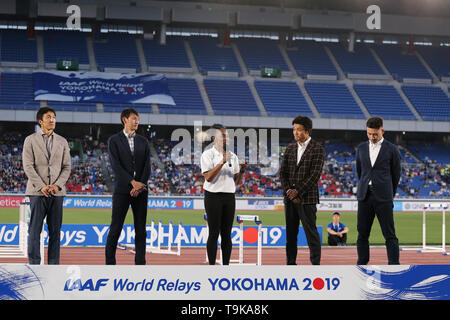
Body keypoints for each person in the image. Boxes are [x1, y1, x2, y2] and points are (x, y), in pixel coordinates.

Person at [22, 107, 71, 264]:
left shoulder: (62, 141)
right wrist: (42, 186)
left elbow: (67, 167)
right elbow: (28, 166)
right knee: (35, 230)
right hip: (37, 192)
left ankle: (53, 265)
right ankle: (34, 265)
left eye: (54, 117)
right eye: (49, 117)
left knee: (55, 232)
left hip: (57, 193)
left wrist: (57, 185)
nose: (52, 120)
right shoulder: (30, 140)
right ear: (40, 121)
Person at [105, 108, 151, 265]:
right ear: (124, 120)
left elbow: (147, 166)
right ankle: (110, 264)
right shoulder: (114, 140)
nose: (137, 121)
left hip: (141, 191)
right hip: (122, 190)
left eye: (138, 119)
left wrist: (140, 185)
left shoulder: (143, 141)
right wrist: (132, 182)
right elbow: (115, 165)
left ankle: (140, 263)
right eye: (134, 118)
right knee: (116, 227)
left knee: (141, 230)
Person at [279, 115, 325, 265]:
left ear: (308, 131)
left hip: (308, 198)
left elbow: (314, 175)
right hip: (290, 199)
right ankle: (290, 263)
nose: (295, 133)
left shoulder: (317, 148)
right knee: (291, 235)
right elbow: (283, 173)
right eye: (294, 130)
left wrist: (297, 192)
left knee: (311, 233)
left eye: (299, 130)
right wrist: (289, 192)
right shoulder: (290, 147)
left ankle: (315, 265)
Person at [356, 116, 401, 265]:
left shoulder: (392, 149)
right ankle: (362, 264)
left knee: (390, 235)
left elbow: (396, 175)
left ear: (383, 130)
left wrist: (389, 195)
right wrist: (364, 187)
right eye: (369, 133)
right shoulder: (361, 148)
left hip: (384, 198)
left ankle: (394, 266)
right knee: (362, 234)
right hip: (365, 196)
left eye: (375, 134)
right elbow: (360, 171)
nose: (372, 137)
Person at [201, 124, 246, 265]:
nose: (226, 138)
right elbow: (208, 177)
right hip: (213, 195)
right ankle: (213, 266)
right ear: (214, 138)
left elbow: (236, 181)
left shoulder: (233, 156)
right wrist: (222, 162)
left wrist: (242, 171)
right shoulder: (207, 154)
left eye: (227, 135)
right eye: (223, 135)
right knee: (214, 233)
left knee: (227, 234)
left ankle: (226, 266)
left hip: (229, 196)